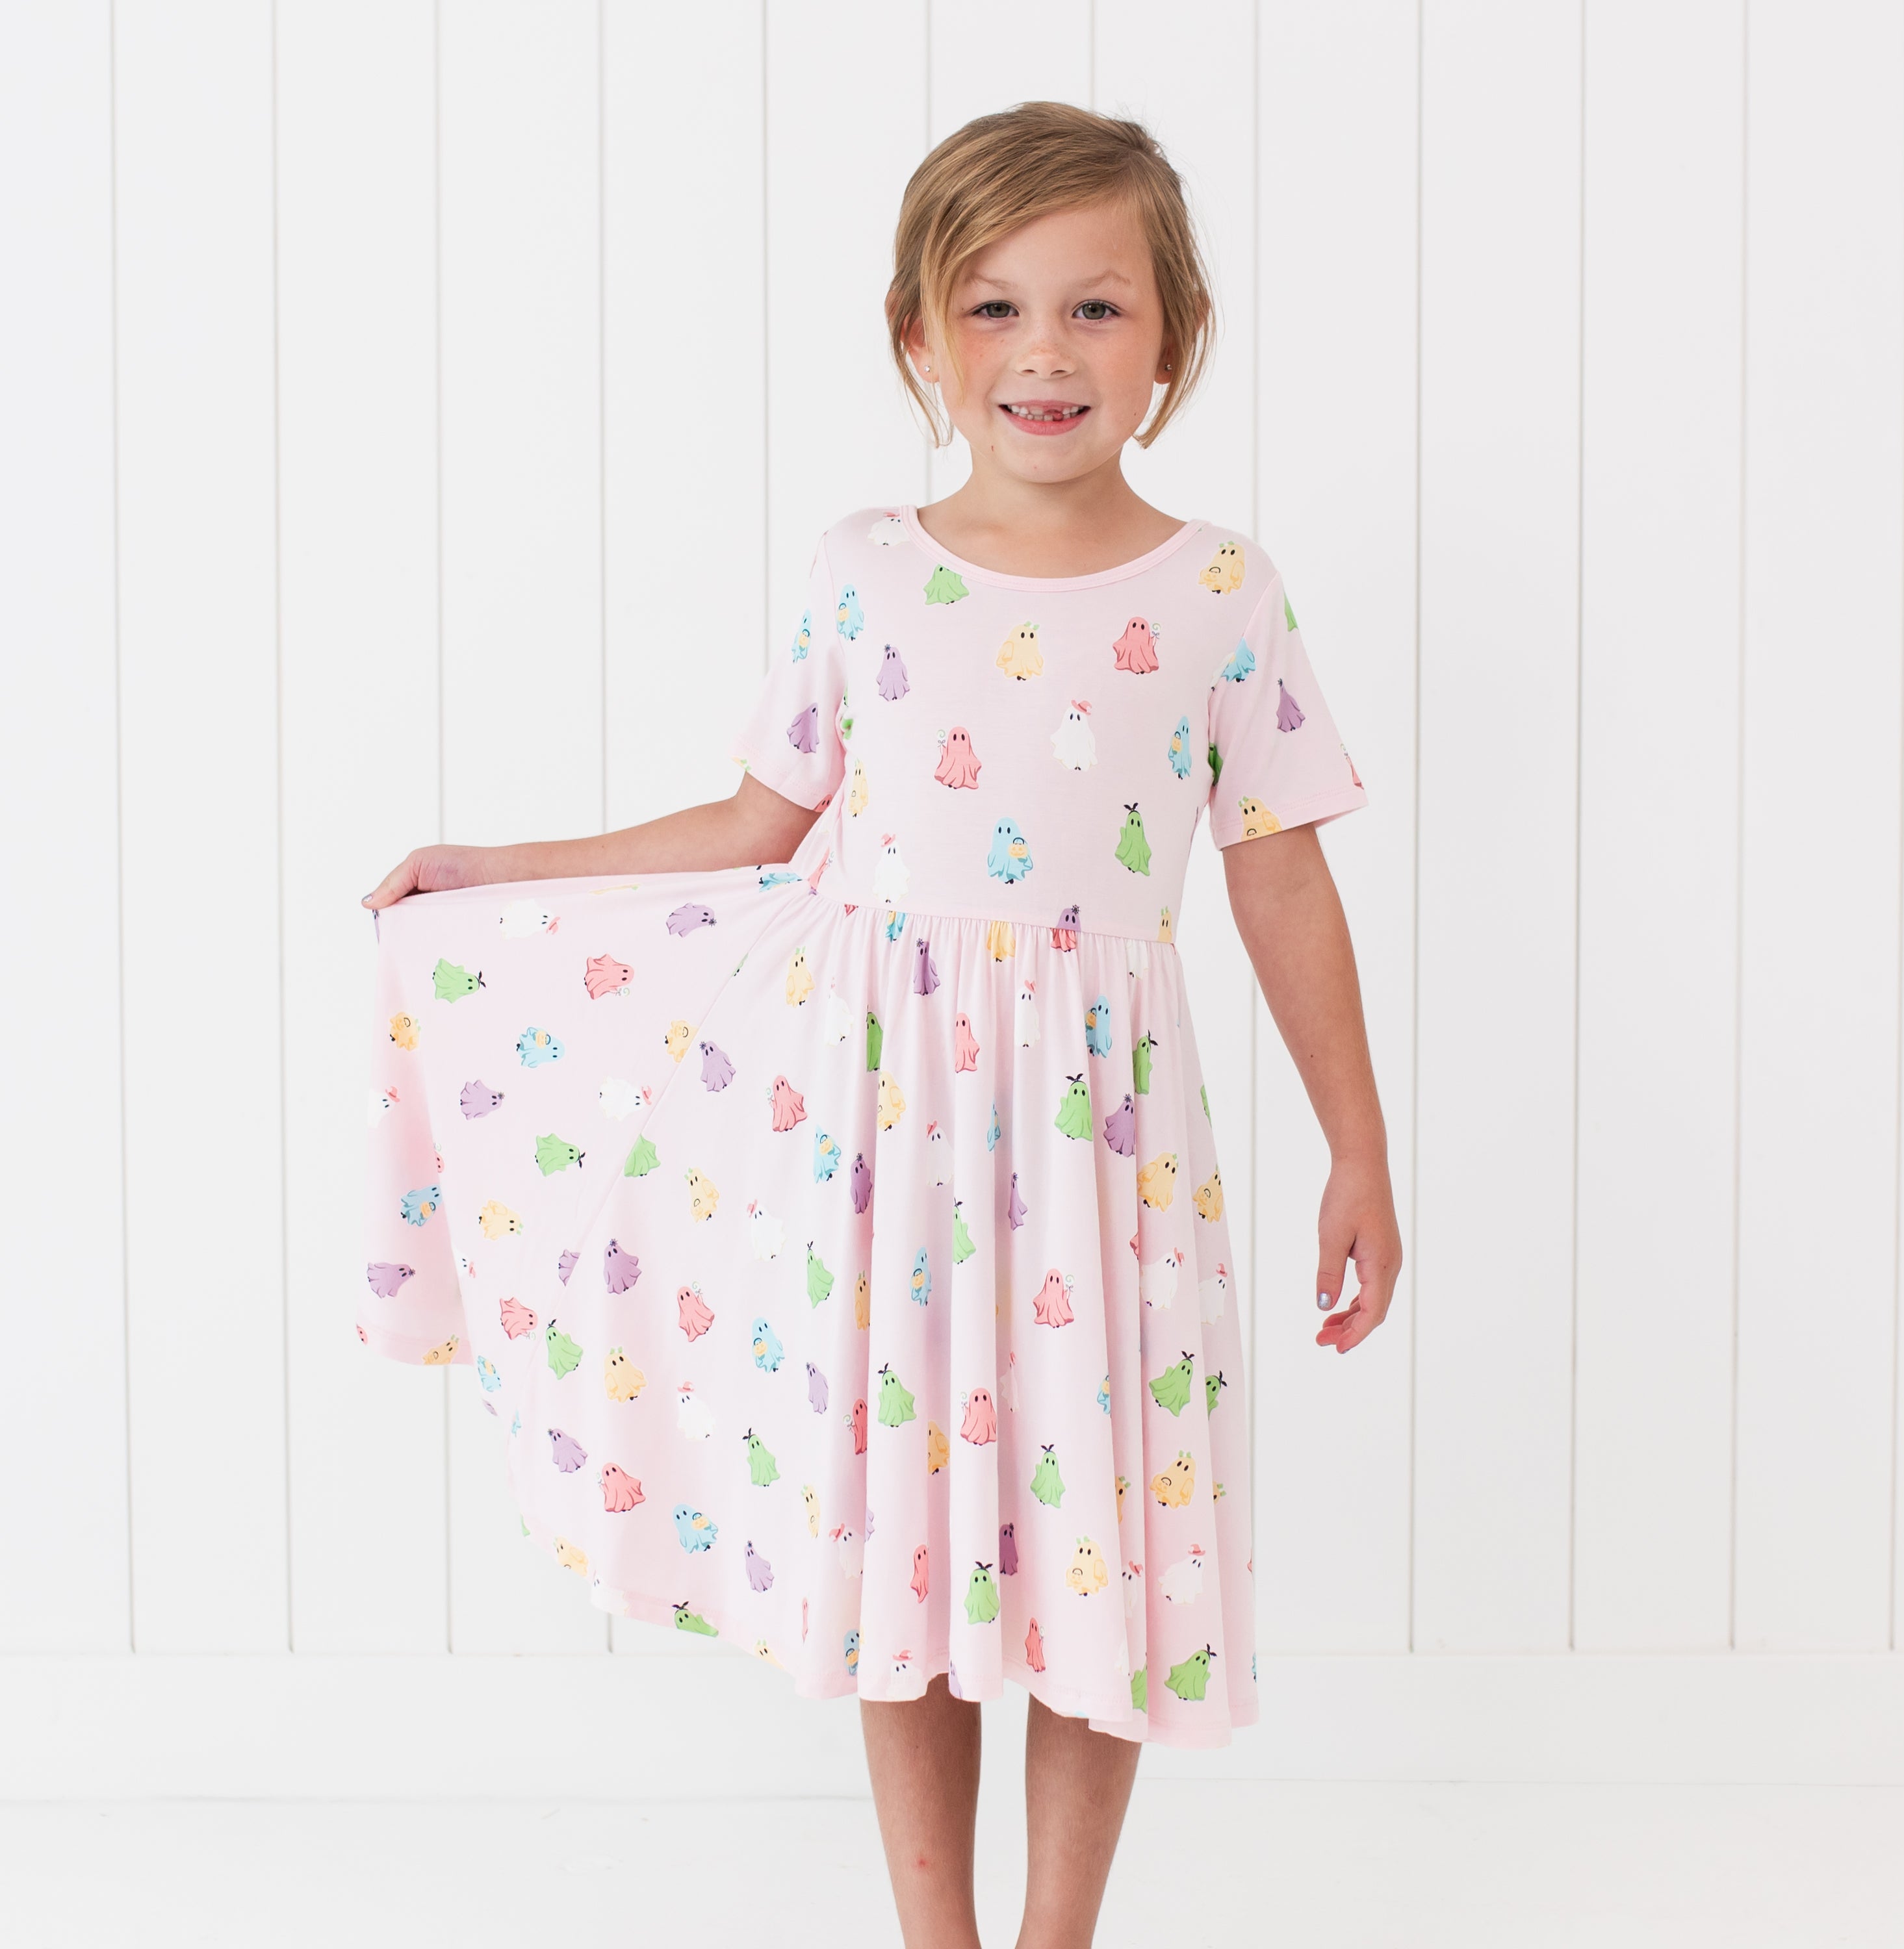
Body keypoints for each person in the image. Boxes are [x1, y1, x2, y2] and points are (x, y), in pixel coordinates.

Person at [360, 99, 1400, 1949]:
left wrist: (1359, 1146)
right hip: (884, 1142)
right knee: (909, 1540)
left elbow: (1281, 879)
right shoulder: (867, 569)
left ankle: (1058, 1937)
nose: (1044, 353)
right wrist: (495, 868)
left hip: (1100, 1150)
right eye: (994, 308)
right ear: (920, 335)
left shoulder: (1220, 593)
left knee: (1096, 1535)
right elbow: (756, 824)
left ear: (1174, 336)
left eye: (1096, 308)